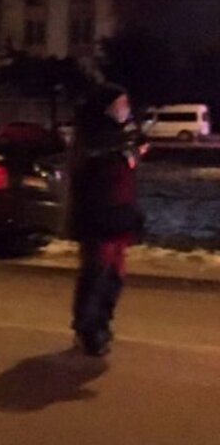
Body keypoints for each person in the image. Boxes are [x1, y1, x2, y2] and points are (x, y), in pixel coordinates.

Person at [68, 83, 147, 356]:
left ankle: (102, 323)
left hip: (119, 218)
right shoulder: (93, 141)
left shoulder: (118, 138)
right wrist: (129, 152)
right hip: (99, 220)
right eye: (119, 104)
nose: (124, 109)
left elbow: (126, 177)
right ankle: (87, 330)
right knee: (96, 277)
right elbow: (99, 172)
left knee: (114, 277)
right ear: (105, 109)